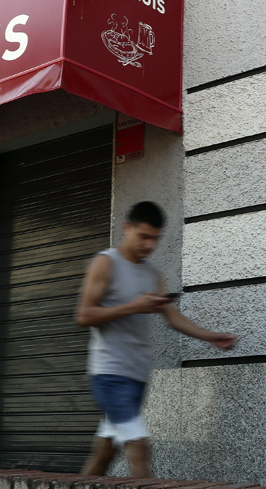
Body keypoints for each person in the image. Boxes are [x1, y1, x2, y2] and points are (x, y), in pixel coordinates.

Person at [74, 201, 237, 478]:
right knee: (139, 448)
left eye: (155, 239)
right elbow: (84, 315)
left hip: (137, 377)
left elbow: (172, 317)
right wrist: (133, 306)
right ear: (127, 228)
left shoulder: (151, 272)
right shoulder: (106, 263)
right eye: (143, 237)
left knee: (105, 453)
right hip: (110, 375)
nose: (149, 245)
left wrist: (210, 336)